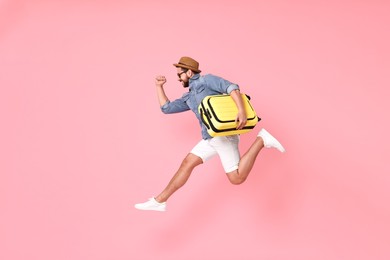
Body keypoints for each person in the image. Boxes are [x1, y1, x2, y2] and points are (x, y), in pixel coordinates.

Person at [135, 56, 285, 212]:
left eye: (180, 74)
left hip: (223, 136)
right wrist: (159, 87)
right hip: (210, 137)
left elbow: (232, 87)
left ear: (190, 72)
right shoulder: (189, 96)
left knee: (237, 178)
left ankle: (262, 139)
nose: (178, 79)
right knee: (188, 162)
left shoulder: (207, 80)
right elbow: (166, 108)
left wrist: (241, 110)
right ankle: (160, 201)